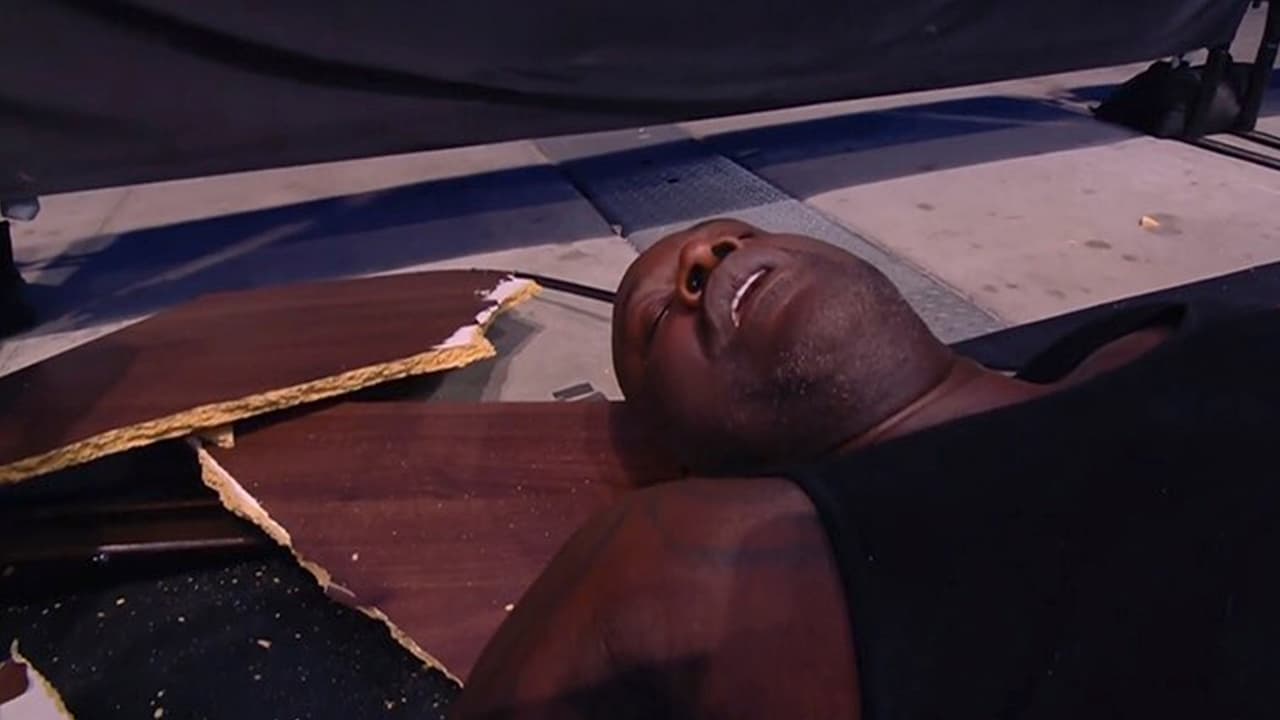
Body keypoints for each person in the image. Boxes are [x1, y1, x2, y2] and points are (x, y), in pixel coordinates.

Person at [452, 219, 1280, 719]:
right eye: (659, 313)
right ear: (682, 459)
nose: (707, 253)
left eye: (742, 235)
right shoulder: (693, 564)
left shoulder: (1158, 336)